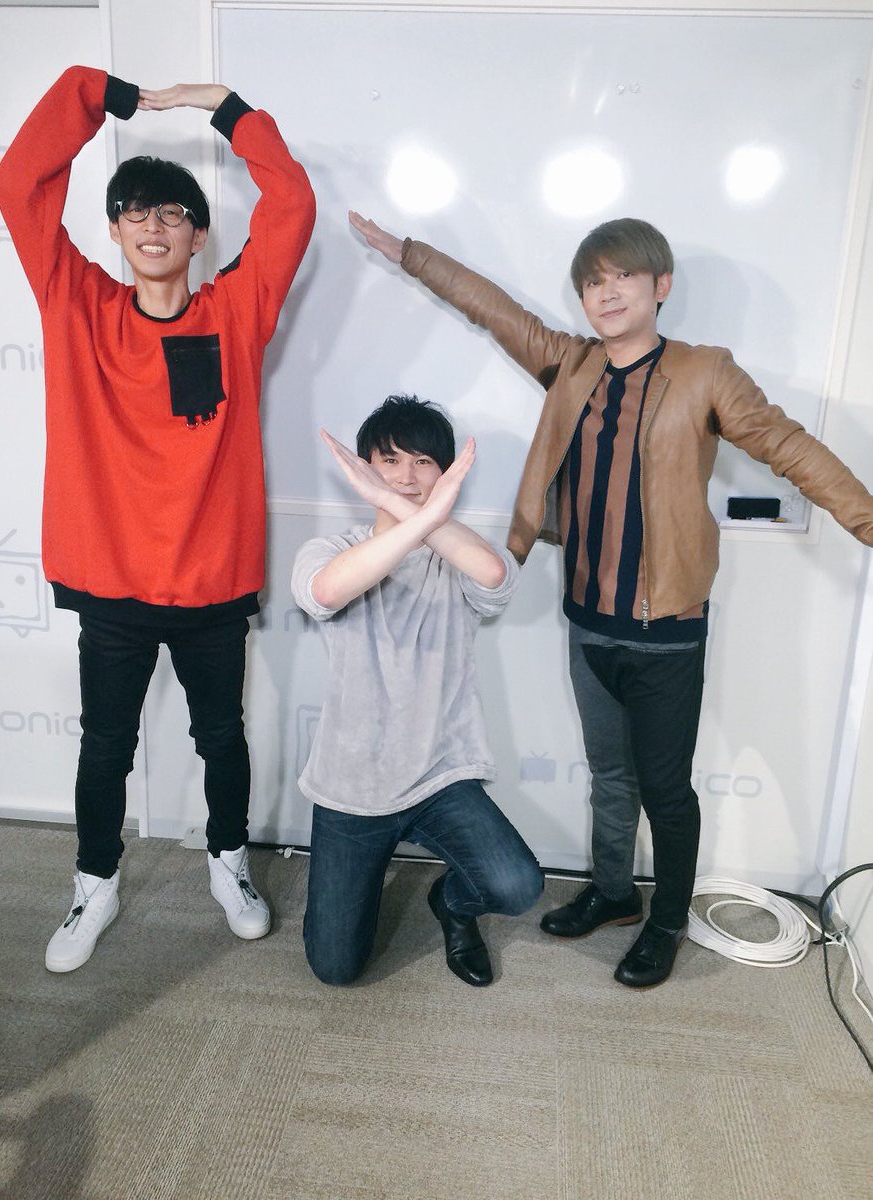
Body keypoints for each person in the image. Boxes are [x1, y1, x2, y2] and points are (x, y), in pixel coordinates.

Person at [347, 212, 873, 988]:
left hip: (668, 631)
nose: (607, 292)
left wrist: (866, 519)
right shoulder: (572, 365)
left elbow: (789, 446)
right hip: (588, 622)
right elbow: (494, 311)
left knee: (666, 789)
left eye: (623, 275)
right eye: (593, 282)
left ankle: (667, 922)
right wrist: (414, 256)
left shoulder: (705, 372)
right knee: (611, 779)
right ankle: (616, 893)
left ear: (661, 285)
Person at [0, 66, 315, 972]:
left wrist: (225, 109)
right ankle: (95, 881)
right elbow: (18, 182)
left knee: (222, 738)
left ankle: (228, 863)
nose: (153, 225)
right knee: (107, 745)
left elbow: (292, 202)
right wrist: (101, 93)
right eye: (135, 212)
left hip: (211, 580)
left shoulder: (236, 312)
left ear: (199, 235)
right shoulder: (76, 304)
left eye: (172, 213)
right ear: (114, 230)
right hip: (113, 580)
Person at [291, 396, 543, 987]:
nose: (406, 476)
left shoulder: (460, 555)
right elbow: (325, 592)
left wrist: (404, 509)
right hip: (351, 786)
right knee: (334, 968)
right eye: (390, 461)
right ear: (365, 468)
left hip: (439, 776)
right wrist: (402, 512)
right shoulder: (330, 550)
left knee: (516, 887)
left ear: (446, 473)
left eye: (423, 462)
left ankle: (451, 903)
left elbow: (494, 575)